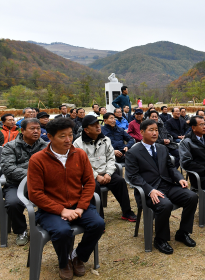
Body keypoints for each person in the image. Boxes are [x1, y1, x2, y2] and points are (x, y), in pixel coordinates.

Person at [27, 118, 105, 279]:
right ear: (50, 136)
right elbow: (35, 193)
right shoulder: (38, 159)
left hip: (78, 205)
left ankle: (78, 256)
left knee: (98, 224)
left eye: (70, 135)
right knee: (62, 231)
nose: (68, 140)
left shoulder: (79, 154)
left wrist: (81, 207)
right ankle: (64, 262)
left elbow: (90, 182)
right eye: (62, 136)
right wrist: (61, 210)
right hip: (51, 210)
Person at [126, 119, 198, 254]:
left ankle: (183, 232)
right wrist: (150, 190)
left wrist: (180, 178)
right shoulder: (133, 152)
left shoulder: (161, 148)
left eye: (156, 130)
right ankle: (160, 239)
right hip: (149, 190)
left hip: (167, 185)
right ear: (142, 132)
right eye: (151, 130)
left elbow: (170, 168)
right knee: (165, 205)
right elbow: (133, 176)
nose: (155, 133)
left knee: (192, 196)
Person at [73, 115, 137, 221]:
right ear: (86, 130)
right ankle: (98, 218)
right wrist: (96, 176)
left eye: (98, 124)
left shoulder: (105, 140)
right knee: (93, 187)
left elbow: (111, 159)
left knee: (120, 181)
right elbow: (81, 165)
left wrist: (108, 173)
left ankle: (127, 212)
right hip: (89, 175)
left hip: (106, 173)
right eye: (93, 125)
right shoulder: (78, 144)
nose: (98, 127)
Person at [0, 118, 47, 246]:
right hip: (16, 184)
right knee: (13, 203)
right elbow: (9, 169)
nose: (36, 131)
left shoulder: (46, 146)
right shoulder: (10, 146)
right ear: (22, 130)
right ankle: (21, 231)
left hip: (42, 185)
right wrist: (33, 174)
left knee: (55, 197)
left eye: (38, 128)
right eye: (32, 128)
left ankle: (44, 225)